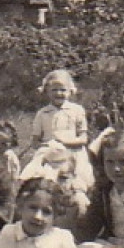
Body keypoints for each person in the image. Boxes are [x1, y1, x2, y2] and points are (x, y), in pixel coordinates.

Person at [30, 69, 93, 197]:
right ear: (47, 91)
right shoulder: (42, 113)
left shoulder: (76, 110)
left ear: (70, 91)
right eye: (54, 90)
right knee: (42, 180)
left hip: (73, 152)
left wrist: (67, 142)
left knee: (76, 184)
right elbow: (35, 141)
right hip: (50, 153)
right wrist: (47, 146)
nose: (59, 93)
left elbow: (83, 138)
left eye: (63, 90)